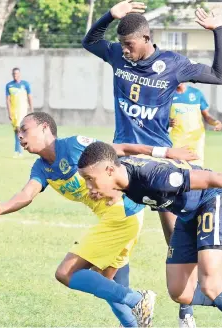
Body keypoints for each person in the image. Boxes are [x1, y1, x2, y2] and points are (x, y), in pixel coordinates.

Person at [82, 2, 222, 325]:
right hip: (122, 164)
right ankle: (131, 310)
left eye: (129, 45)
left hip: (160, 166)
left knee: (174, 235)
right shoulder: (117, 56)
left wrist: (217, 30)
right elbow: (89, 42)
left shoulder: (172, 65)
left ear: (147, 38)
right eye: (122, 46)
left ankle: (185, 308)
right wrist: (110, 15)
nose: (125, 51)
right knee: (119, 234)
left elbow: (218, 74)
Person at [0, 112, 196, 327]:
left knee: (66, 273)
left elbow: (120, 149)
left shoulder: (73, 146)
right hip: (119, 218)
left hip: (121, 213)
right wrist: (2, 208)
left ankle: (139, 299)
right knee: (107, 284)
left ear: (44, 128)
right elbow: (27, 194)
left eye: (25, 129)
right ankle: (136, 321)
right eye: (18, 132)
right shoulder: (41, 167)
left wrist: (166, 152)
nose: (20, 136)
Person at [77, 141, 222, 317]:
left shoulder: (155, 178)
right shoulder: (121, 177)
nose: (88, 187)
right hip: (186, 216)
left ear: (109, 171)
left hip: (209, 201)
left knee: (209, 285)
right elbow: (115, 148)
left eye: (90, 179)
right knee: (180, 292)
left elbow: (212, 179)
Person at [170, 83, 222, 166]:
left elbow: (206, 116)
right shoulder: (168, 94)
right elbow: (161, 116)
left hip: (196, 139)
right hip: (177, 139)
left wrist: (215, 122)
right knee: (176, 168)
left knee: (196, 168)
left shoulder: (197, 93)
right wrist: (168, 122)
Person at [6, 67, 33, 158]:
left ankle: (18, 151)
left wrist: (32, 109)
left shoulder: (25, 84)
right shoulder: (9, 85)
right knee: (16, 132)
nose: (15, 75)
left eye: (17, 74)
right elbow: (8, 100)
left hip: (23, 112)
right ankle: (18, 150)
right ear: (12, 75)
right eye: (14, 74)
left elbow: (30, 97)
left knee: (19, 131)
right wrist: (9, 112)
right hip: (14, 113)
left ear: (20, 74)